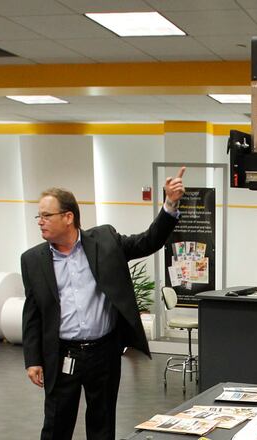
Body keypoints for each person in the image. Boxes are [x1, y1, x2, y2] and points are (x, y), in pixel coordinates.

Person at [21, 167, 187, 440]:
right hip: (62, 354)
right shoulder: (32, 260)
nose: (40, 221)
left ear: (68, 217)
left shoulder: (105, 241)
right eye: (38, 216)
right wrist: (33, 360)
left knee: (102, 422)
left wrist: (169, 205)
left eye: (46, 215)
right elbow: (33, 312)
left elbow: (148, 241)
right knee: (56, 424)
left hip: (104, 353)